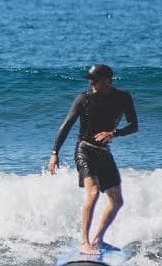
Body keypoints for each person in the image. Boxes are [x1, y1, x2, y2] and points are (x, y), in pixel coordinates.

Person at [47, 64, 138, 254]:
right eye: (90, 80)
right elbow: (66, 125)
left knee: (117, 201)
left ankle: (98, 239)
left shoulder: (123, 97)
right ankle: (84, 242)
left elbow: (133, 125)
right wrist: (55, 153)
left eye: (95, 80)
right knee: (94, 193)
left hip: (104, 152)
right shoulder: (84, 98)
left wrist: (113, 133)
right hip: (84, 150)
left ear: (107, 81)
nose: (92, 84)